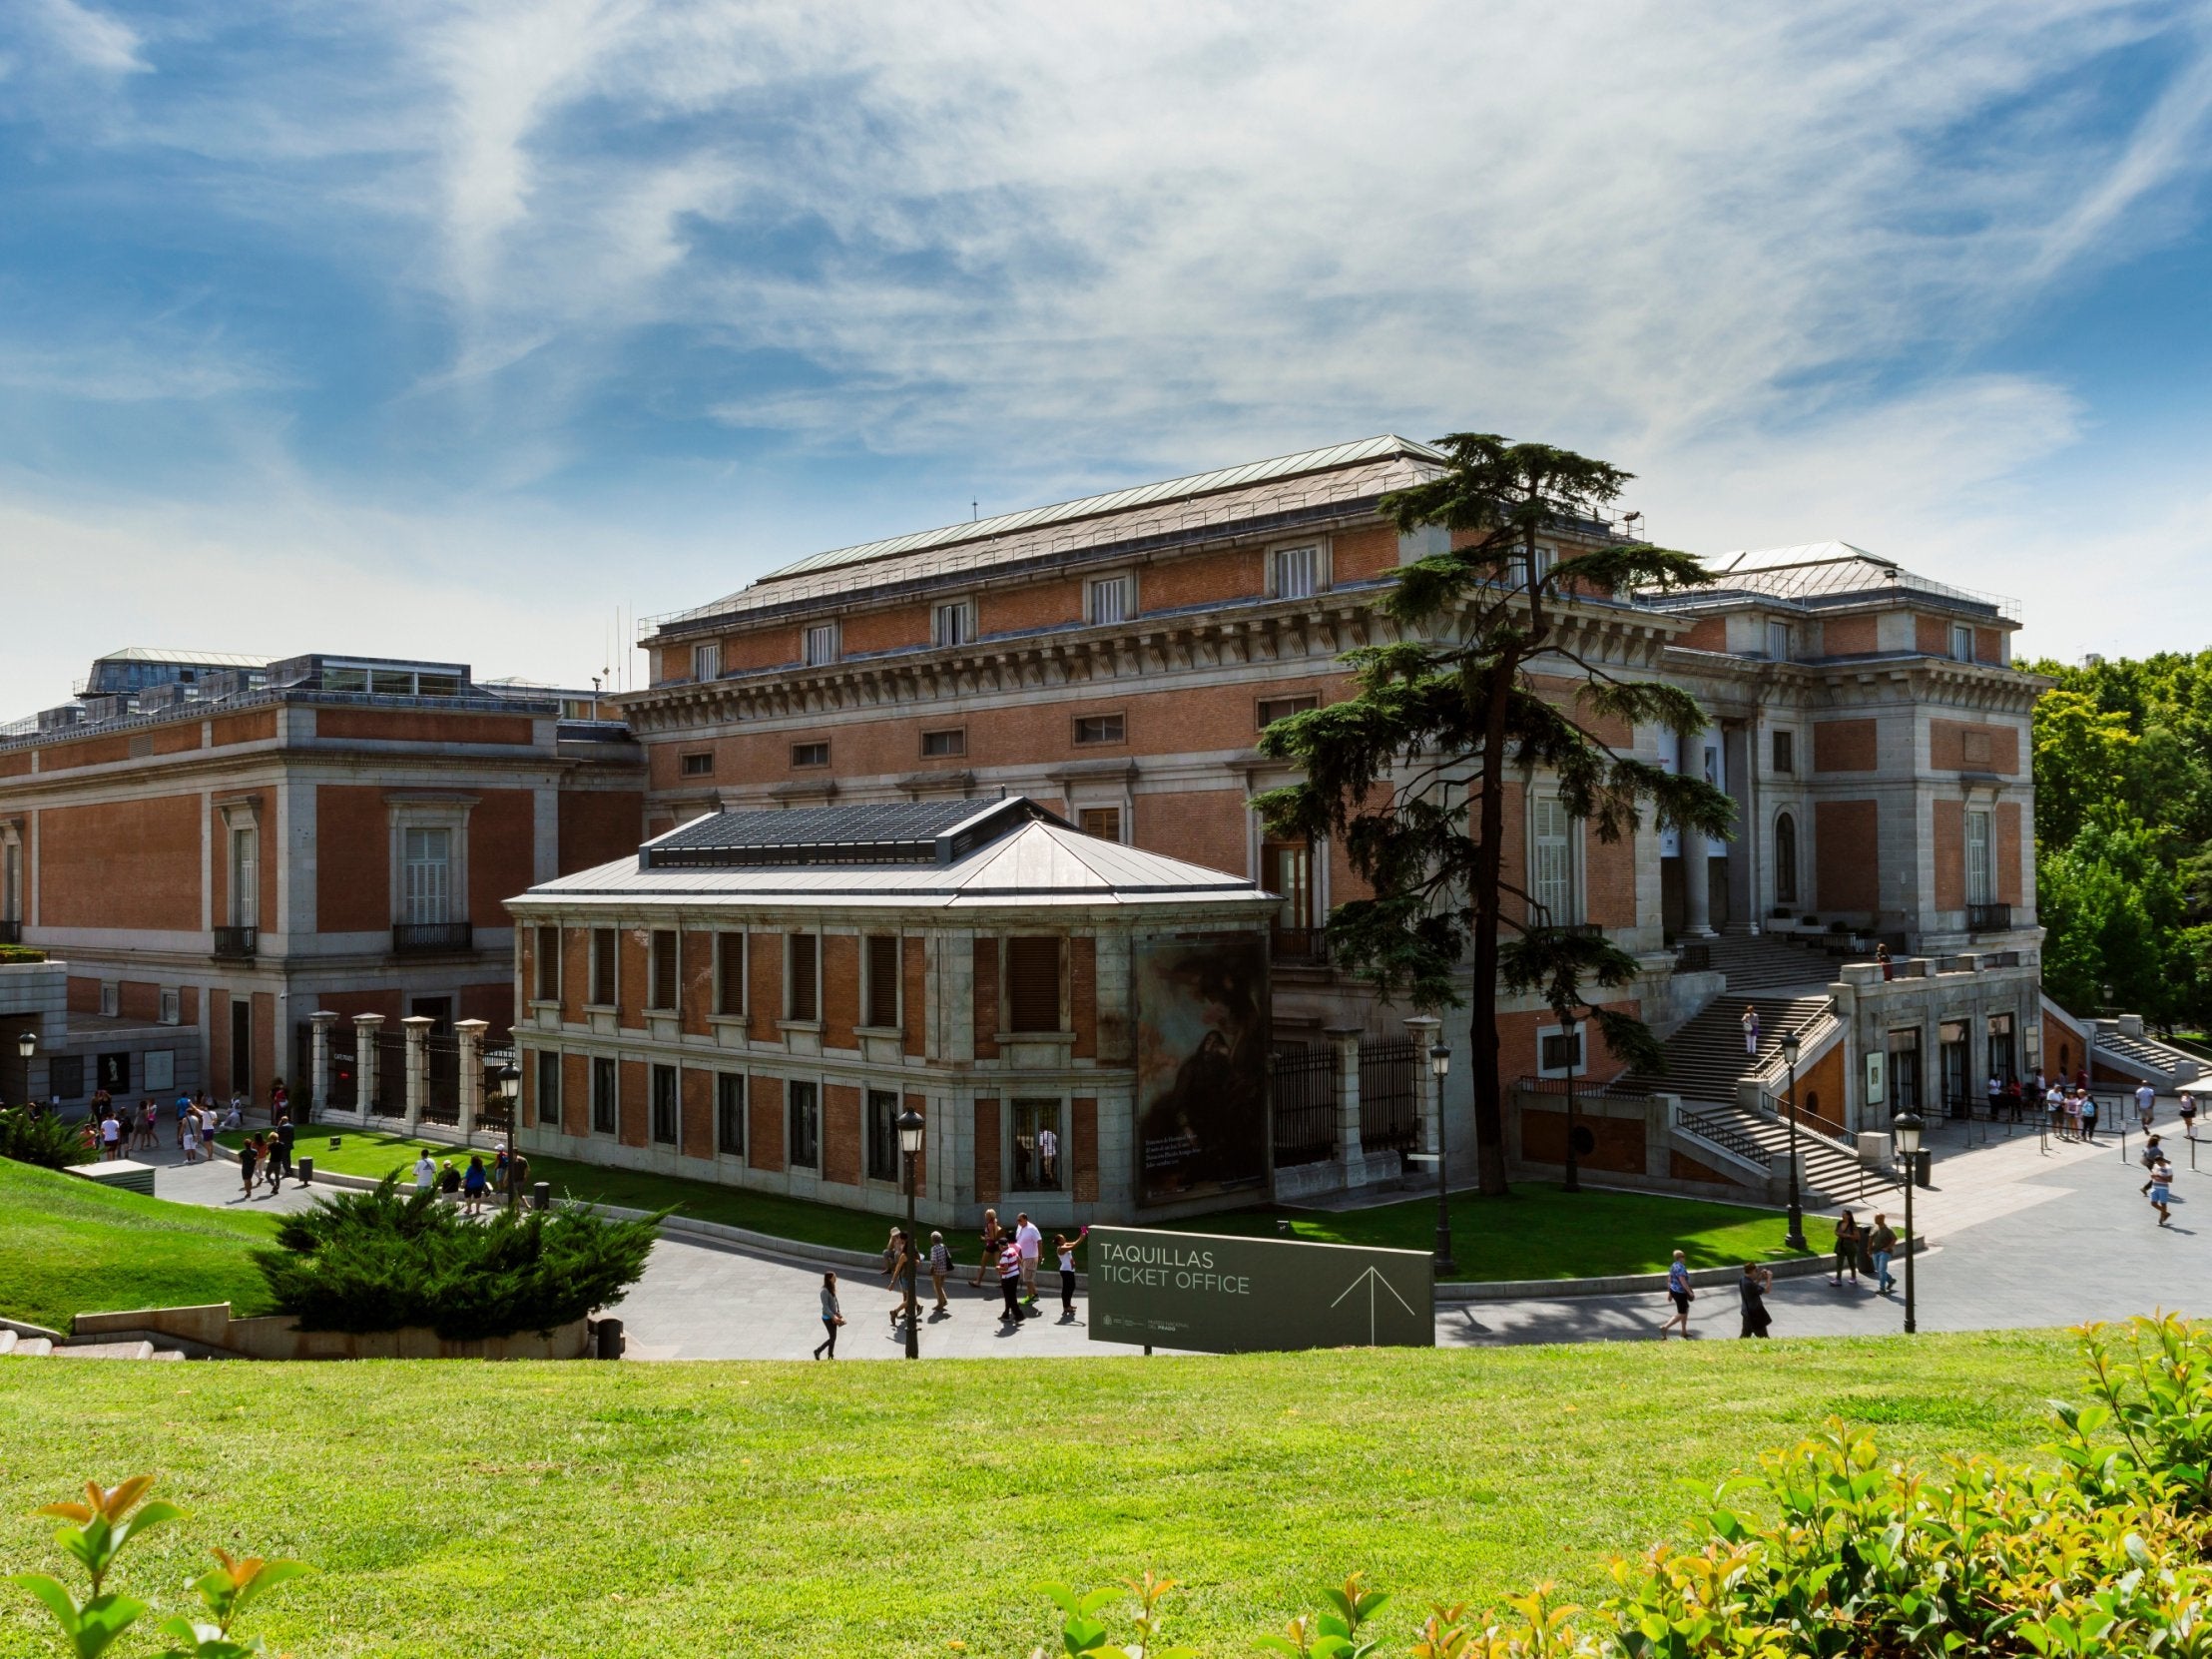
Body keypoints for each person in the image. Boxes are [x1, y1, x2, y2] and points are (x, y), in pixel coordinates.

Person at [1054, 1227, 1088, 1321]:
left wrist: (1082, 1235)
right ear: (1059, 1242)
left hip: (1070, 1270)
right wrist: (1083, 1235)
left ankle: (1068, 1305)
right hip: (1065, 1271)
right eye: (1062, 1238)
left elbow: (1074, 1242)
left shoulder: (1065, 1244)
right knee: (1066, 1289)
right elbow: (1074, 1246)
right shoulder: (1061, 1248)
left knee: (1072, 1287)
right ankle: (1066, 1307)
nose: (1064, 1238)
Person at [1660, 1249, 1693, 1340]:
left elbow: (1669, 1279)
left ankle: (1683, 1331)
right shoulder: (1681, 1267)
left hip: (1674, 1291)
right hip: (1680, 1292)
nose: (1685, 1258)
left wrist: (1669, 1293)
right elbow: (1682, 1281)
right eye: (1684, 1257)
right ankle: (1665, 1327)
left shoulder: (1674, 1265)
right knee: (1682, 1313)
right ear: (1681, 1257)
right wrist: (1689, 1292)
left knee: (1685, 1308)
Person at [996, 1233, 1027, 1325]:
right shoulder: (1012, 1250)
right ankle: (1006, 1314)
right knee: (1011, 1296)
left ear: (1001, 1246)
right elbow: (1020, 1261)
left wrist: (998, 1268)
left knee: (1010, 1297)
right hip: (1015, 1275)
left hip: (1008, 1277)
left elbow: (1005, 1268)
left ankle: (1019, 1315)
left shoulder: (1005, 1254)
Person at [969, 1209, 1002, 1292]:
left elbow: (993, 1237)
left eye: (986, 1214)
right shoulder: (995, 1222)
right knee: (997, 1263)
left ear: (990, 1216)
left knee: (983, 1264)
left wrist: (984, 1238)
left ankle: (978, 1282)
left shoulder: (990, 1224)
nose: (985, 1216)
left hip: (990, 1246)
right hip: (997, 1245)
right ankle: (1004, 1282)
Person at [1739, 1263, 1774, 1339]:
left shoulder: (1743, 1280)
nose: (1757, 1272)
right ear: (1752, 1271)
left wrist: (1760, 1277)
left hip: (1747, 1314)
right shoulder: (1749, 1284)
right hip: (1755, 1315)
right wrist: (1769, 1277)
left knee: (1744, 1336)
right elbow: (1767, 1290)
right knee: (1764, 1338)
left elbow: (1753, 1285)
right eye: (1756, 1270)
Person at [813, 1272, 843, 1359]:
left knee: (833, 1337)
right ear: (829, 1279)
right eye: (834, 1277)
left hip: (834, 1317)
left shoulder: (831, 1288)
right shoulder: (824, 1291)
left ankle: (830, 1355)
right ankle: (818, 1351)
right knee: (833, 1337)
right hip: (827, 1318)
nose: (835, 1279)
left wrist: (838, 1312)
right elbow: (825, 1307)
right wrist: (833, 1316)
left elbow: (835, 1302)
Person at [1868, 1213, 1898, 1295]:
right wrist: (1869, 1250)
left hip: (1884, 1252)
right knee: (1878, 1269)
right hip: (1875, 1251)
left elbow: (1894, 1239)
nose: (1875, 1219)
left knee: (1881, 1270)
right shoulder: (1874, 1227)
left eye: (1877, 1218)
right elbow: (1870, 1238)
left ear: (1882, 1219)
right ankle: (1890, 1280)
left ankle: (1882, 1289)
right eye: (1875, 1218)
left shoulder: (1888, 1229)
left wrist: (1887, 1248)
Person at [1831, 1212, 1862, 1288]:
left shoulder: (1852, 1226)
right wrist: (1837, 1233)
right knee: (1839, 1262)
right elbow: (1836, 1231)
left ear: (1849, 1216)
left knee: (1851, 1262)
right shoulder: (1839, 1223)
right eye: (1842, 1214)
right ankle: (1838, 1279)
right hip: (1840, 1245)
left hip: (1850, 1246)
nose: (1842, 1215)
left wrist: (1846, 1235)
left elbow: (1857, 1237)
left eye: (1844, 1214)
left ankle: (1853, 1277)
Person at [927, 1231, 952, 1313]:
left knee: (937, 1287)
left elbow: (934, 1261)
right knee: (940, 1286)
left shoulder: (934, 1248)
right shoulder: (943, 1246)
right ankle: (943, 1301)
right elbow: (949, 1256)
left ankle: (940, 1304)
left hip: (937, 1270)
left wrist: (932, 1268)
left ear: (933, 1240)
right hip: (944, 1269)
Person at [2150, 1157, 2174, 1227]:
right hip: (2154, 1187)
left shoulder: (2168, 1168)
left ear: (2162, 1160)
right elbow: (2153, 1173)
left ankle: (2161, 1219)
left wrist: (2159, 1176)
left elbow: (2170, 1180)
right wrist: (2152, 1176)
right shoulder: (2155, 1165)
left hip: (2163, 1188)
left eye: (2159, 1163)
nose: (2158, 1164)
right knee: (2153, 1203)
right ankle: (2166, 1213)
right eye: (2157, 1163)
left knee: (2163, 1204)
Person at [238, 1133, 261, 1198]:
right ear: (251, 1144)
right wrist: (253, 1160)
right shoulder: (255, 1151)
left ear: (244, 1145)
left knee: (246, 1180)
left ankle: (248, 1192)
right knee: (249, 1179)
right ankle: (249, 1190)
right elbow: (258, 1158)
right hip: (251, 1168)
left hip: (245, 1168)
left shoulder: (243, 1152)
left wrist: (241, 1160)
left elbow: (239, 1159)